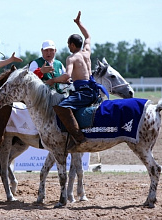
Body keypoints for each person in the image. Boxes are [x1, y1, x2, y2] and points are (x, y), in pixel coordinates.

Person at [45, 11, 108, 150]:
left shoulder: (71, 58)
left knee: (61, 107)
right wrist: (79, 23)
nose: (68, 46)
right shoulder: (87, 51)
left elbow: (67, 75)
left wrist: (53, 80)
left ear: (72, 45)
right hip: (93, 90)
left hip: (83, 92)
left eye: (68, 44)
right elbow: (88, 36)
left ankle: (78, 138)